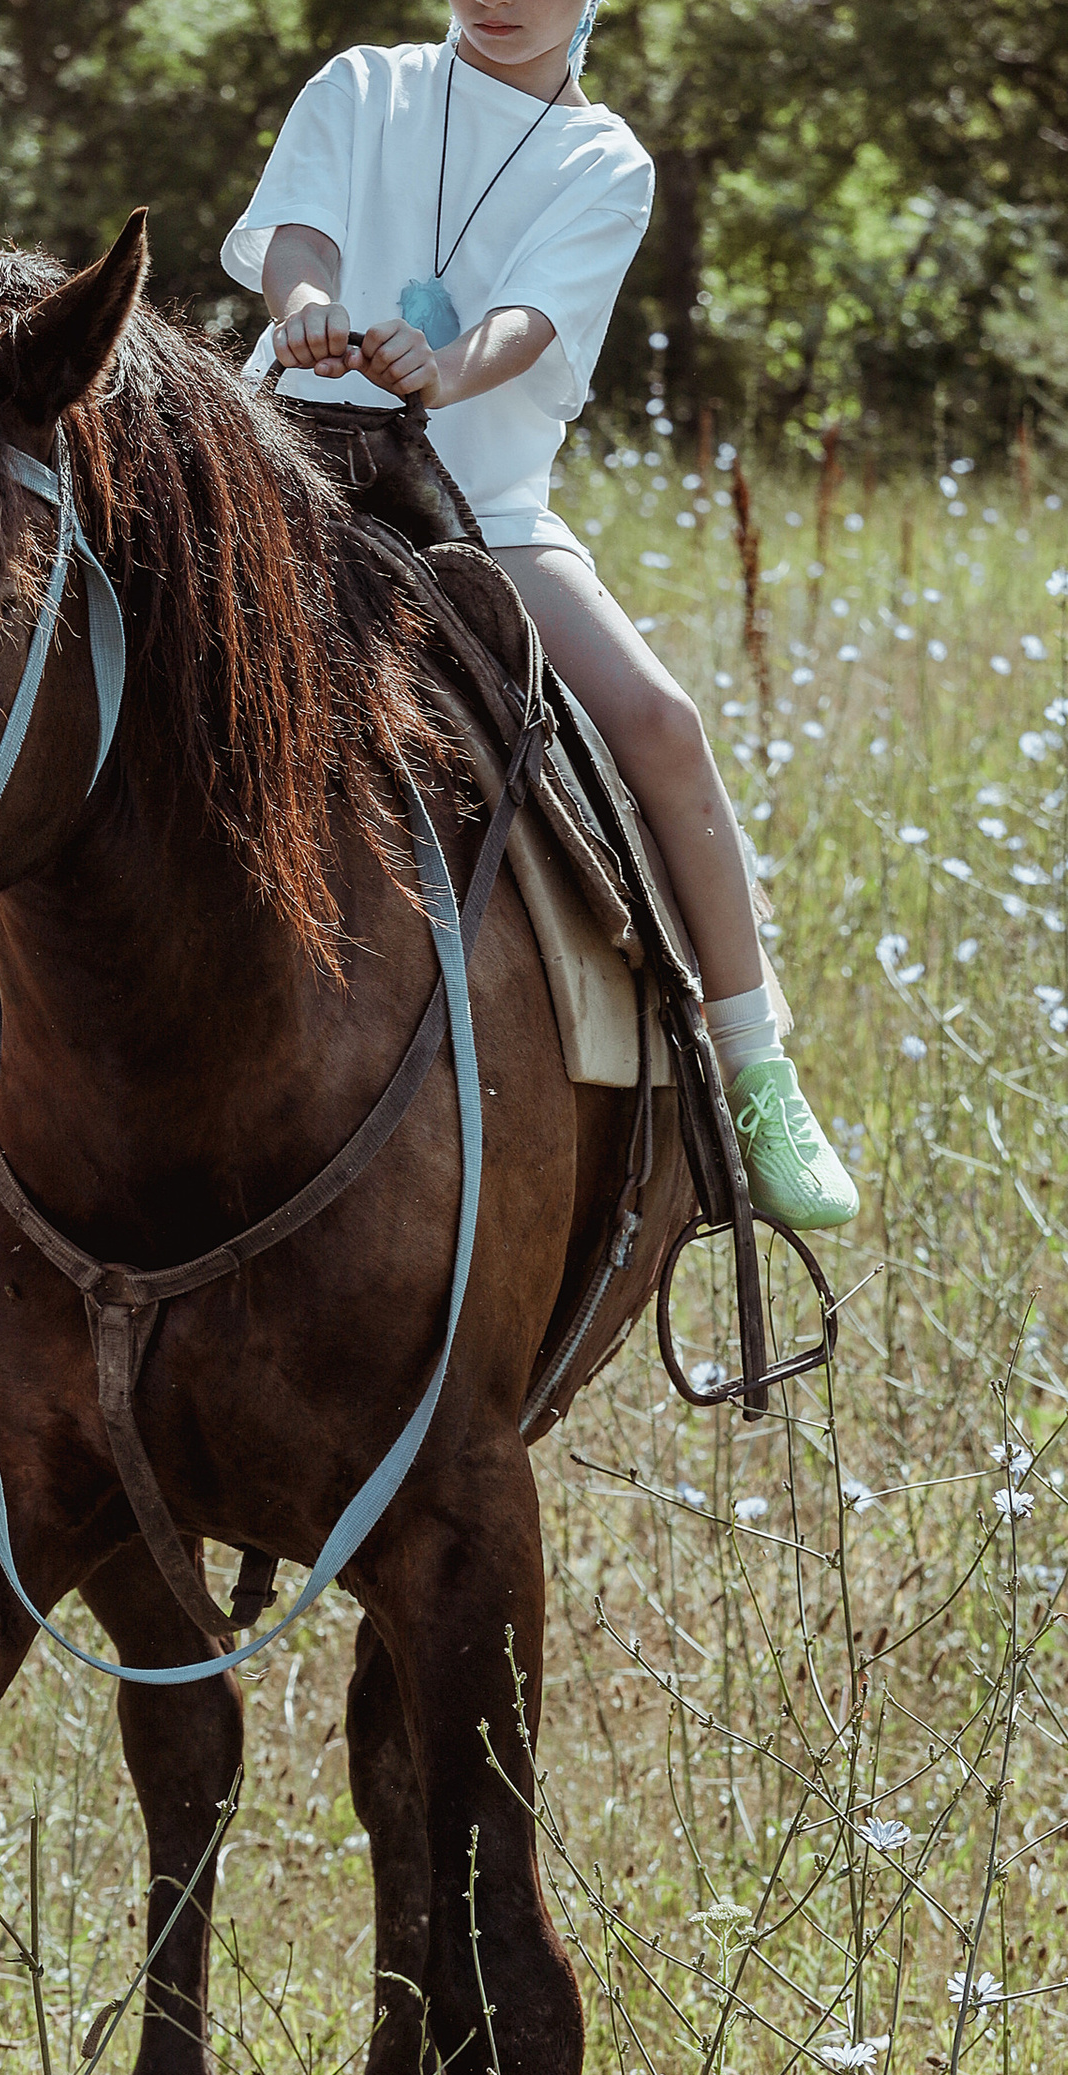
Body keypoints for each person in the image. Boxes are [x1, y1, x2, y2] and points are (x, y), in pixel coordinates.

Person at [223, 0, 859, 1228]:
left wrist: (437, 370)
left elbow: (527, 325)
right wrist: (302, 308)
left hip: (482, 506)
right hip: (277, 468)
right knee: (40, 630)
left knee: (660, 723)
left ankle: (754, 1066)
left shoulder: (603, 161)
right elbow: (295, 233)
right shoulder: (364, 84)